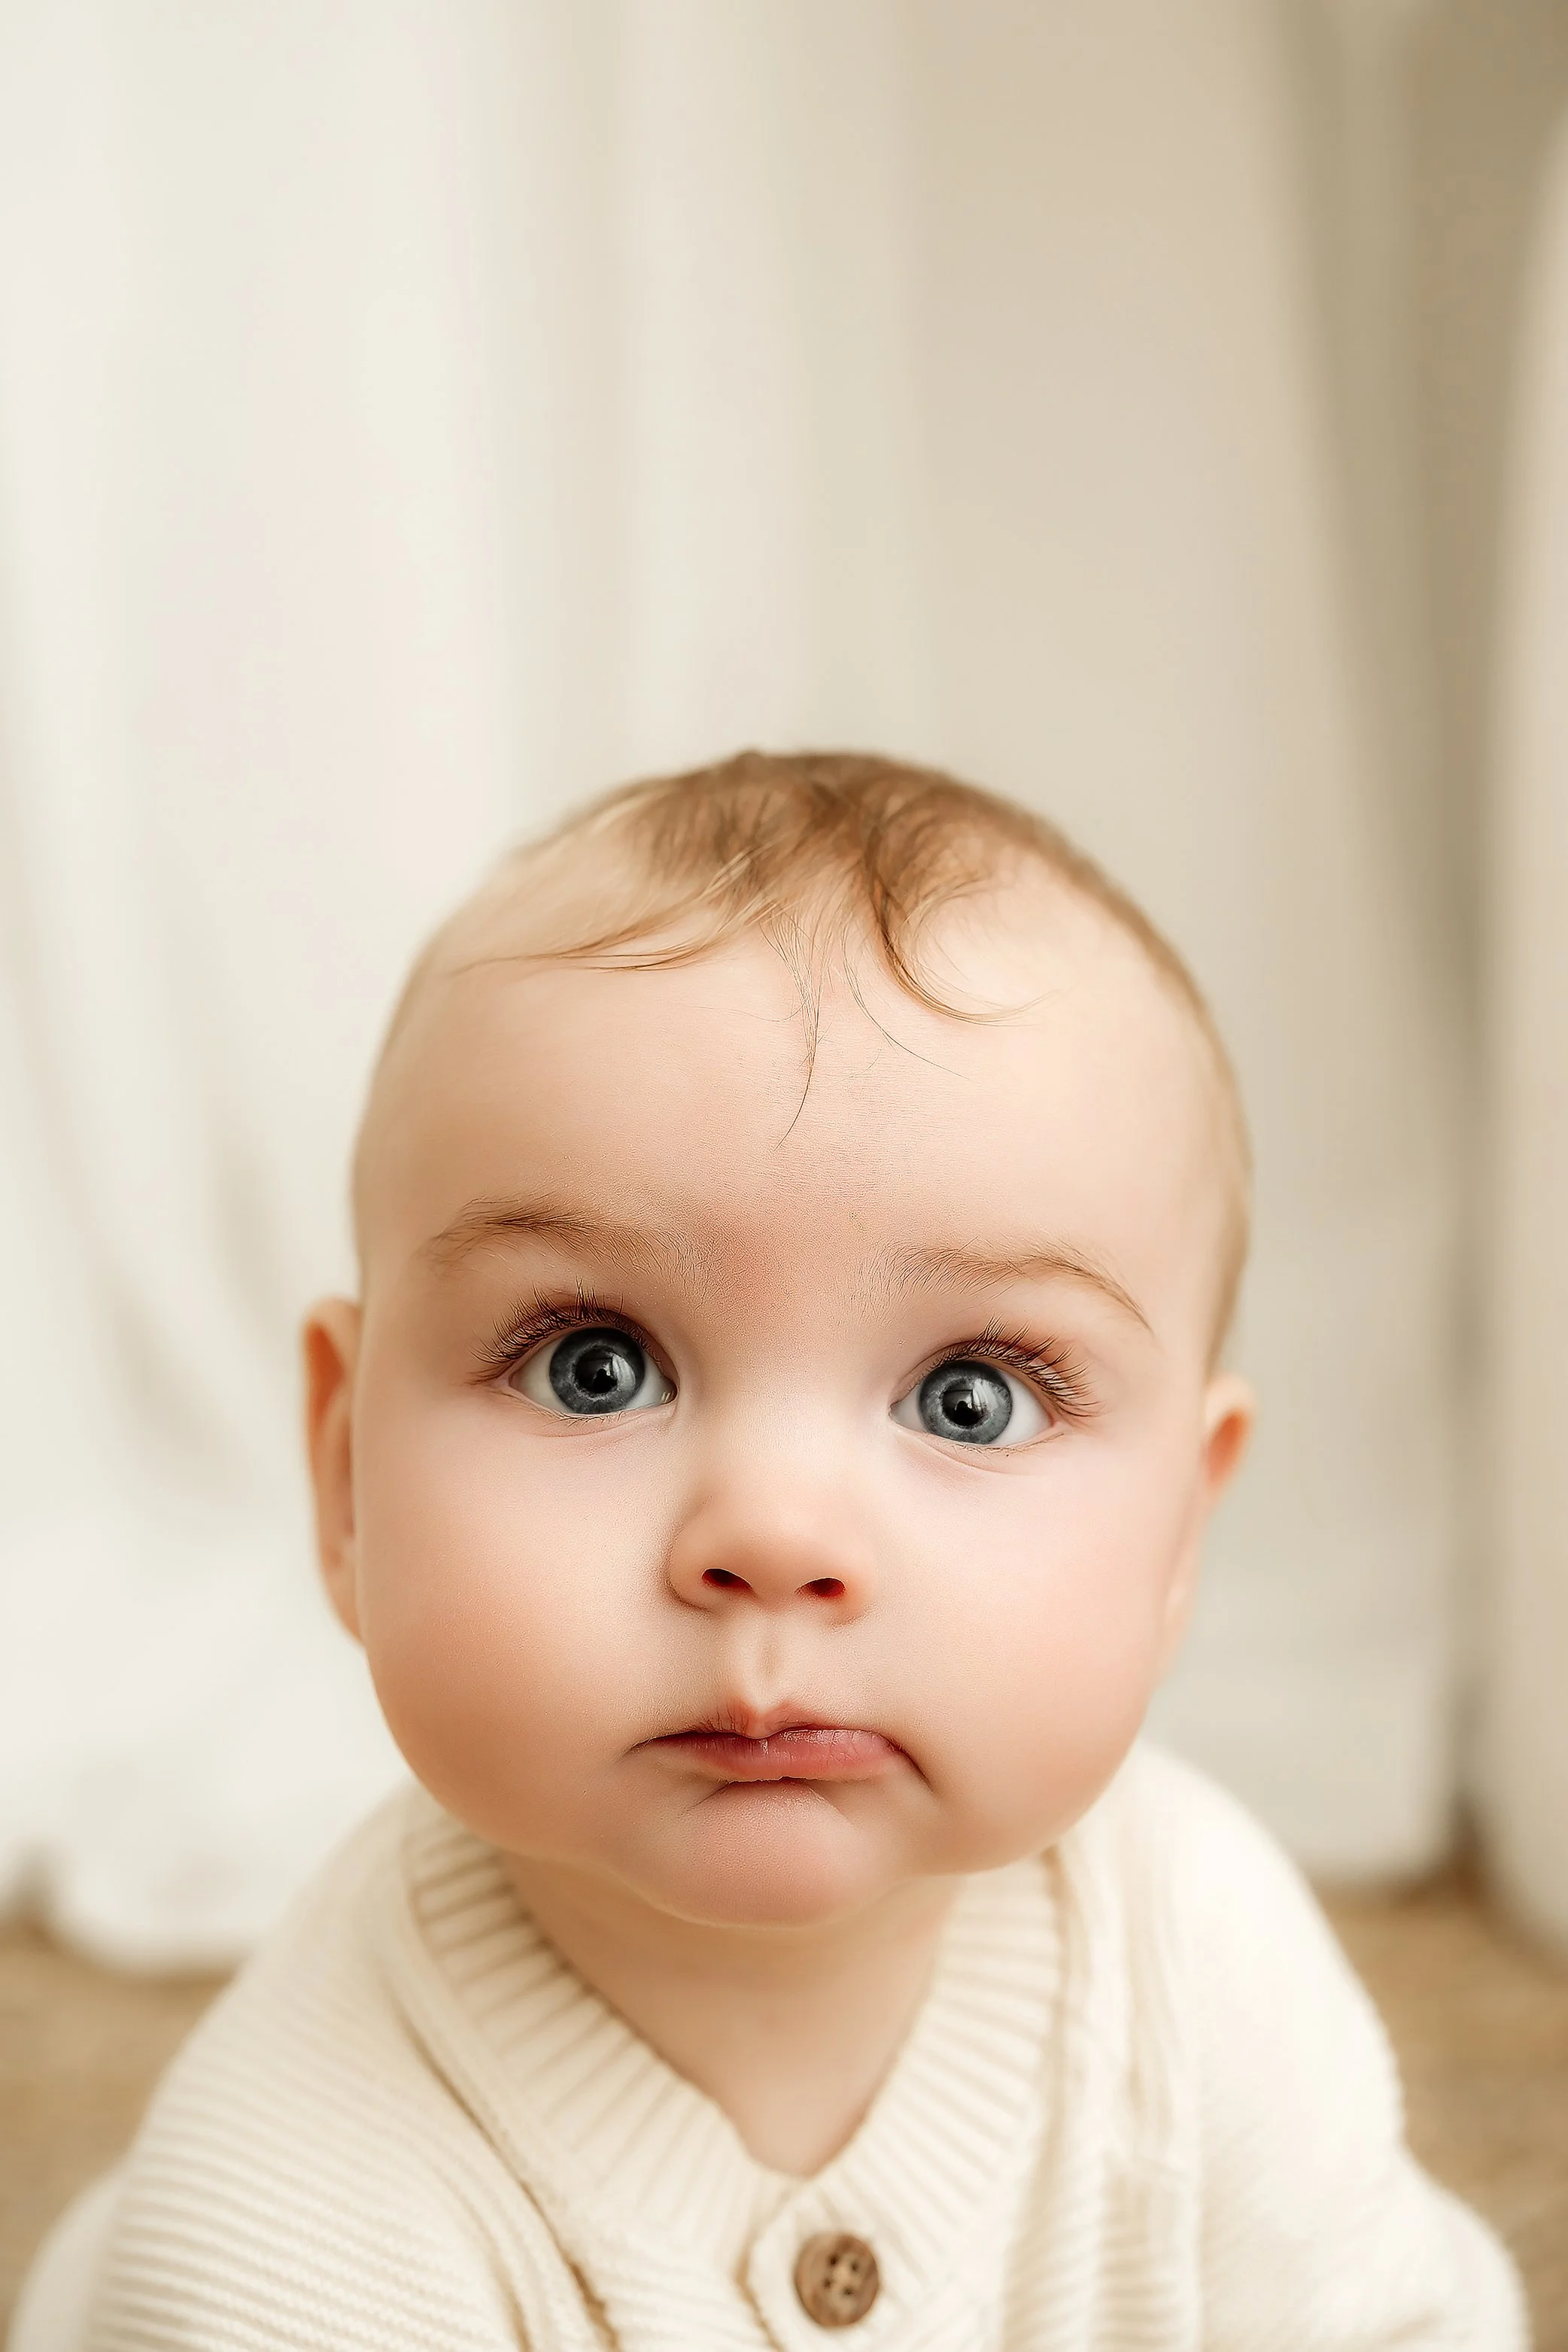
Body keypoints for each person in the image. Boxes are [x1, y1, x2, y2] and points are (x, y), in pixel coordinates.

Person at [14, 752, 1525, 2349]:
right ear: (345, 1482)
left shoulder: (1205, 1970)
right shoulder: (284, 2221)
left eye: (970, 1397)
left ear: (1180, 1535)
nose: (776, 1540)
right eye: (595, 1364)